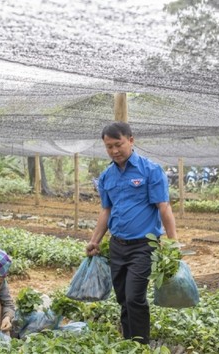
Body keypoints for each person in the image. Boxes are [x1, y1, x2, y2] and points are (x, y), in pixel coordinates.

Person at [85, 121, 177, 344]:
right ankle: (129, 342)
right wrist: (94, 240)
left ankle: (140, 343)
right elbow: (106, 210)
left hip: (144, 246)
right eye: (109, 147)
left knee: (135, 297)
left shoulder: (150, 170)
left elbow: (163, 207)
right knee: (123, 298)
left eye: (118, 144)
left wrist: (173, 242)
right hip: (117, 246)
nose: (114, 151)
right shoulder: (107, 176)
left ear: (131, 140)